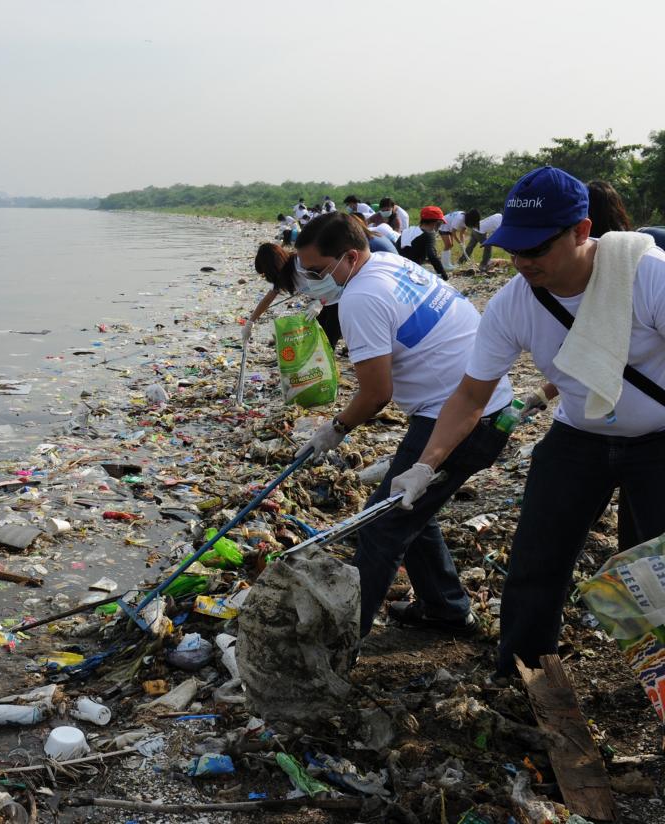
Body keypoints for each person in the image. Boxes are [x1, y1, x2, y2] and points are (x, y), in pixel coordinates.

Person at [390, 166, 665, 677]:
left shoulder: (649, 276)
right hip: (579, 437)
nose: (520, 262)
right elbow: (471, 395)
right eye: (514, 248)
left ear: (582, 231)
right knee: (536, 560)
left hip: (658, 442)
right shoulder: (514, 301)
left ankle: (653, 674)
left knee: (651, 565)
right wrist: (425, 466)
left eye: (536, 250)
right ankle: (521, 668)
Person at [292, 212, 513, 637]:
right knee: (410, 507)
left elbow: (377, 393)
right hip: (492, 403)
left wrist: (333, 428)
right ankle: (447, 609)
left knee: (381, 526)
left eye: (318, 270)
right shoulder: (389, 263)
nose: (313, 280)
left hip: (460, 421)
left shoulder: (360, 297)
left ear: (350, 257)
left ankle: (342, 642)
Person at [244, 242, 343, 348]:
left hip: (339, 299)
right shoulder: (283, 274)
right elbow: (268, 298)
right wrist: (250, 322)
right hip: (324, 302)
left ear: (272, 266)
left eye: (266, 272)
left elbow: (336, 280)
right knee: (316, 338)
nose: (267, 276)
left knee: (327, 343)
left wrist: (320, 302)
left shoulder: (302, 265)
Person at [399, 206, 449, 279]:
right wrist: (443, 275)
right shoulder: (428, 234)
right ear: (436, 222)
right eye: (440, 223)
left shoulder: (408, 230)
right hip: (411, 271)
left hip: (399, 267)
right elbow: (432, 256)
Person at [464, 208, 504, 273]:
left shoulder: (498, 215)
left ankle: (461, 261)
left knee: (470, 247)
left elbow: (492, 230)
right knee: (488, 246)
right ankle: (483, 265)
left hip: (475, 230)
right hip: (480, 232)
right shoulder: (499, 222)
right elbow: (498, 234)